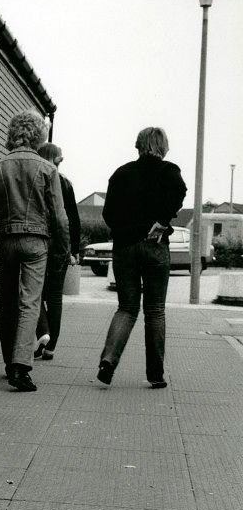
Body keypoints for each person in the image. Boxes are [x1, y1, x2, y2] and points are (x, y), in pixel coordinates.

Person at [0, 110, 69, 392]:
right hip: (37, 242)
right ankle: (20, 365)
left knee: (8, 301)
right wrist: (63, 250)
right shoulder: (48, 170)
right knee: (30, 303)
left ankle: (8, 361)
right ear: (39, 135)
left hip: (7, 241)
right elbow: (60, 218)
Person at [96, 127, 186, 388]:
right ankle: (155, 374)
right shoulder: (169, 171)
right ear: (163, 146)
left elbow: (108, 214)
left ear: (139, 145)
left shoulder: (122, 173)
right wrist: (162, 220)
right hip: (155, 245)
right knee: (155, 310)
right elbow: (180, 191)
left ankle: (108, 362)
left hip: (125, 248)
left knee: (126, 307)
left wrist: (124, 231)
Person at [34, 143, 81, 361]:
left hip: (39, 243)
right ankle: (51, 346)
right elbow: (72, 219)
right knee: (54, 297)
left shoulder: (35, 179)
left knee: (32, 293)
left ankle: (43, 332)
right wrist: (74, 249)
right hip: (60, 247)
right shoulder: (66, 184)